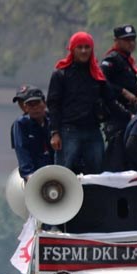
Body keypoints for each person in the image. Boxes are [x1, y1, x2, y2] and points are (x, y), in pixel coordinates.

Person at [47, 31, 125, 175]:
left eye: (87, 47)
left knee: (97, 173)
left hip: (93, 131)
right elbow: (53, 105)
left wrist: (129, 117)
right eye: (80, 47)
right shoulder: (60, 74)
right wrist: (55, 133)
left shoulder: (97, 74)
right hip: (69, 131)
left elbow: (110, 102)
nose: (84, 51)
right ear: (72, 49)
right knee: (64, 174)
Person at [100, 24, 137, 171]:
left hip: (130, 114)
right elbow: (102, 83)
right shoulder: (112, 60)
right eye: (126, 40)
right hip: (116, 115)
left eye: (133, 39)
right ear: (116, 41)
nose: (131, 43)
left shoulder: (127, 60)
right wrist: (122, 91)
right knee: (116, 157)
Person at [12, 87, 54, 179]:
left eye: (37, 104)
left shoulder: (53, 119)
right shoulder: (21, 124)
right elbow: (22, 150)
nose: (35, 108)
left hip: (56, 170)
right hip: (35, 172)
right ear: (26, 107)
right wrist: (28, 174)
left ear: (44, 103)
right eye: (30, 105)